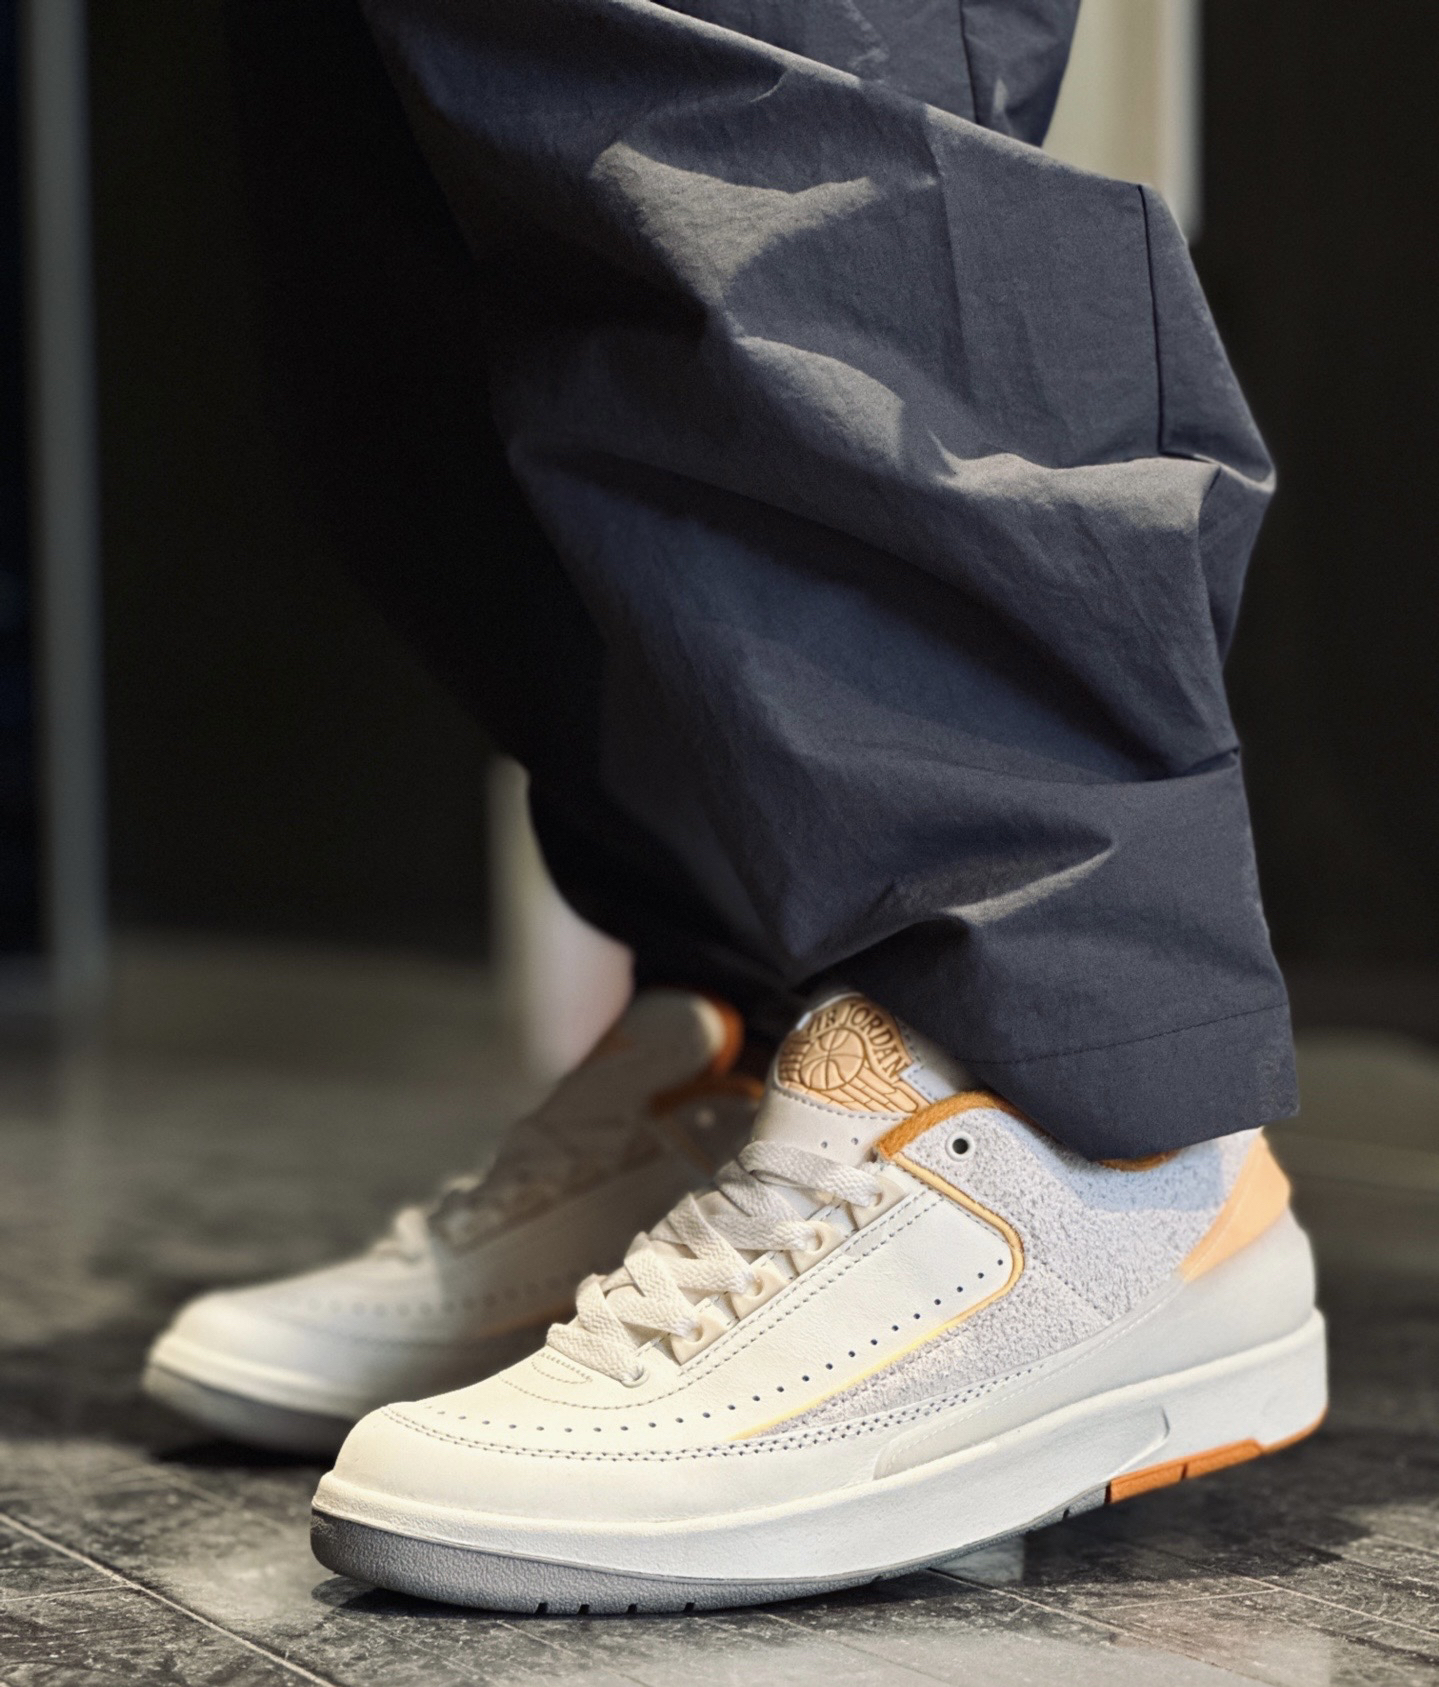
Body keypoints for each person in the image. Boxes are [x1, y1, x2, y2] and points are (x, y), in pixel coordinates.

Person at [144, 0, 1325, 1612]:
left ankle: (1069, 1115)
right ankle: (765, 1049)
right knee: (409, 196)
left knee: (726, 89)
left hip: (1063, 1070)